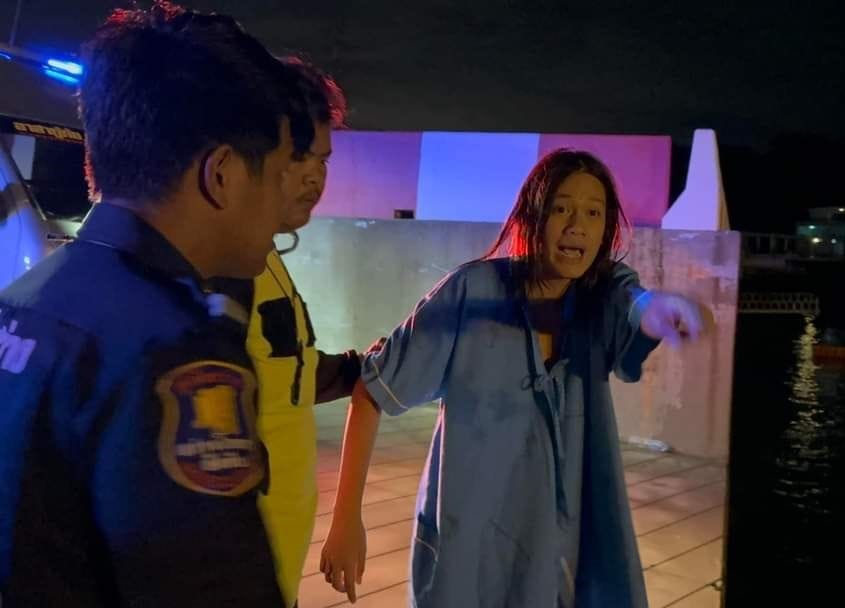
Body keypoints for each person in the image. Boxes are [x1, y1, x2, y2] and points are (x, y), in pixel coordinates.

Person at [0, 2, 313, 606]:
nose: (283, 202)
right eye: (277, 174)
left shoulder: (24, 305)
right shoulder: (173, 352)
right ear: (222, 174)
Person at [320, 149, 709, 606]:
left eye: (593, 213)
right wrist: (345, 519)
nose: (577, 226)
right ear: (533, 216)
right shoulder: (469, 292)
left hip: (556, 556)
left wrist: (657, 308)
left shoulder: (598, 300)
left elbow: (633, 300)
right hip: (469, 548)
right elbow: (374, 387)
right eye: (561, 208)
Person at [213, 57, 357, 608]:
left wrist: (364, 369)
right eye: (299, 156)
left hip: (274, 565)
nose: (316, 176)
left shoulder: (263, 254)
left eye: (323, 159)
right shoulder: (212, 269)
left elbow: (283, 372)